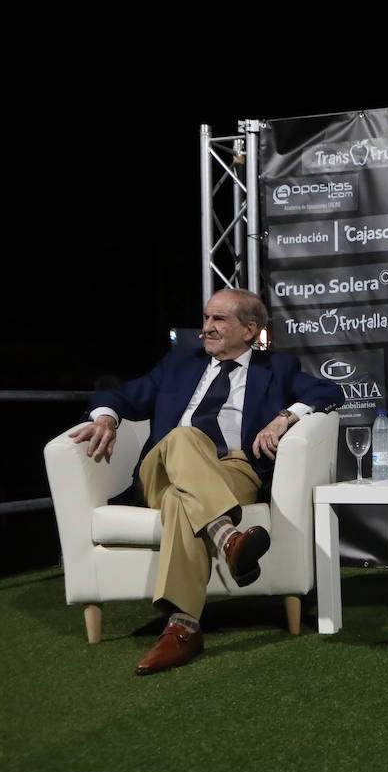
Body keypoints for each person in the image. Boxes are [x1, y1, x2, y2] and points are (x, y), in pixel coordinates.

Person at [69, 288, 343, 676]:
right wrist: (106, 419)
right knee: (184, 436)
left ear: (250, 330)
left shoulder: (277, 368)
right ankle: (229, 538)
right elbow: (120, 394)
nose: (207, 328)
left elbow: (329, 390)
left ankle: (183, 628)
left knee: (181, 501)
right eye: (206, 318)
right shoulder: (179, 365)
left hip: (233, 469)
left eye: (219, 320)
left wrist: (284, 418)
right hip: (162, 468)